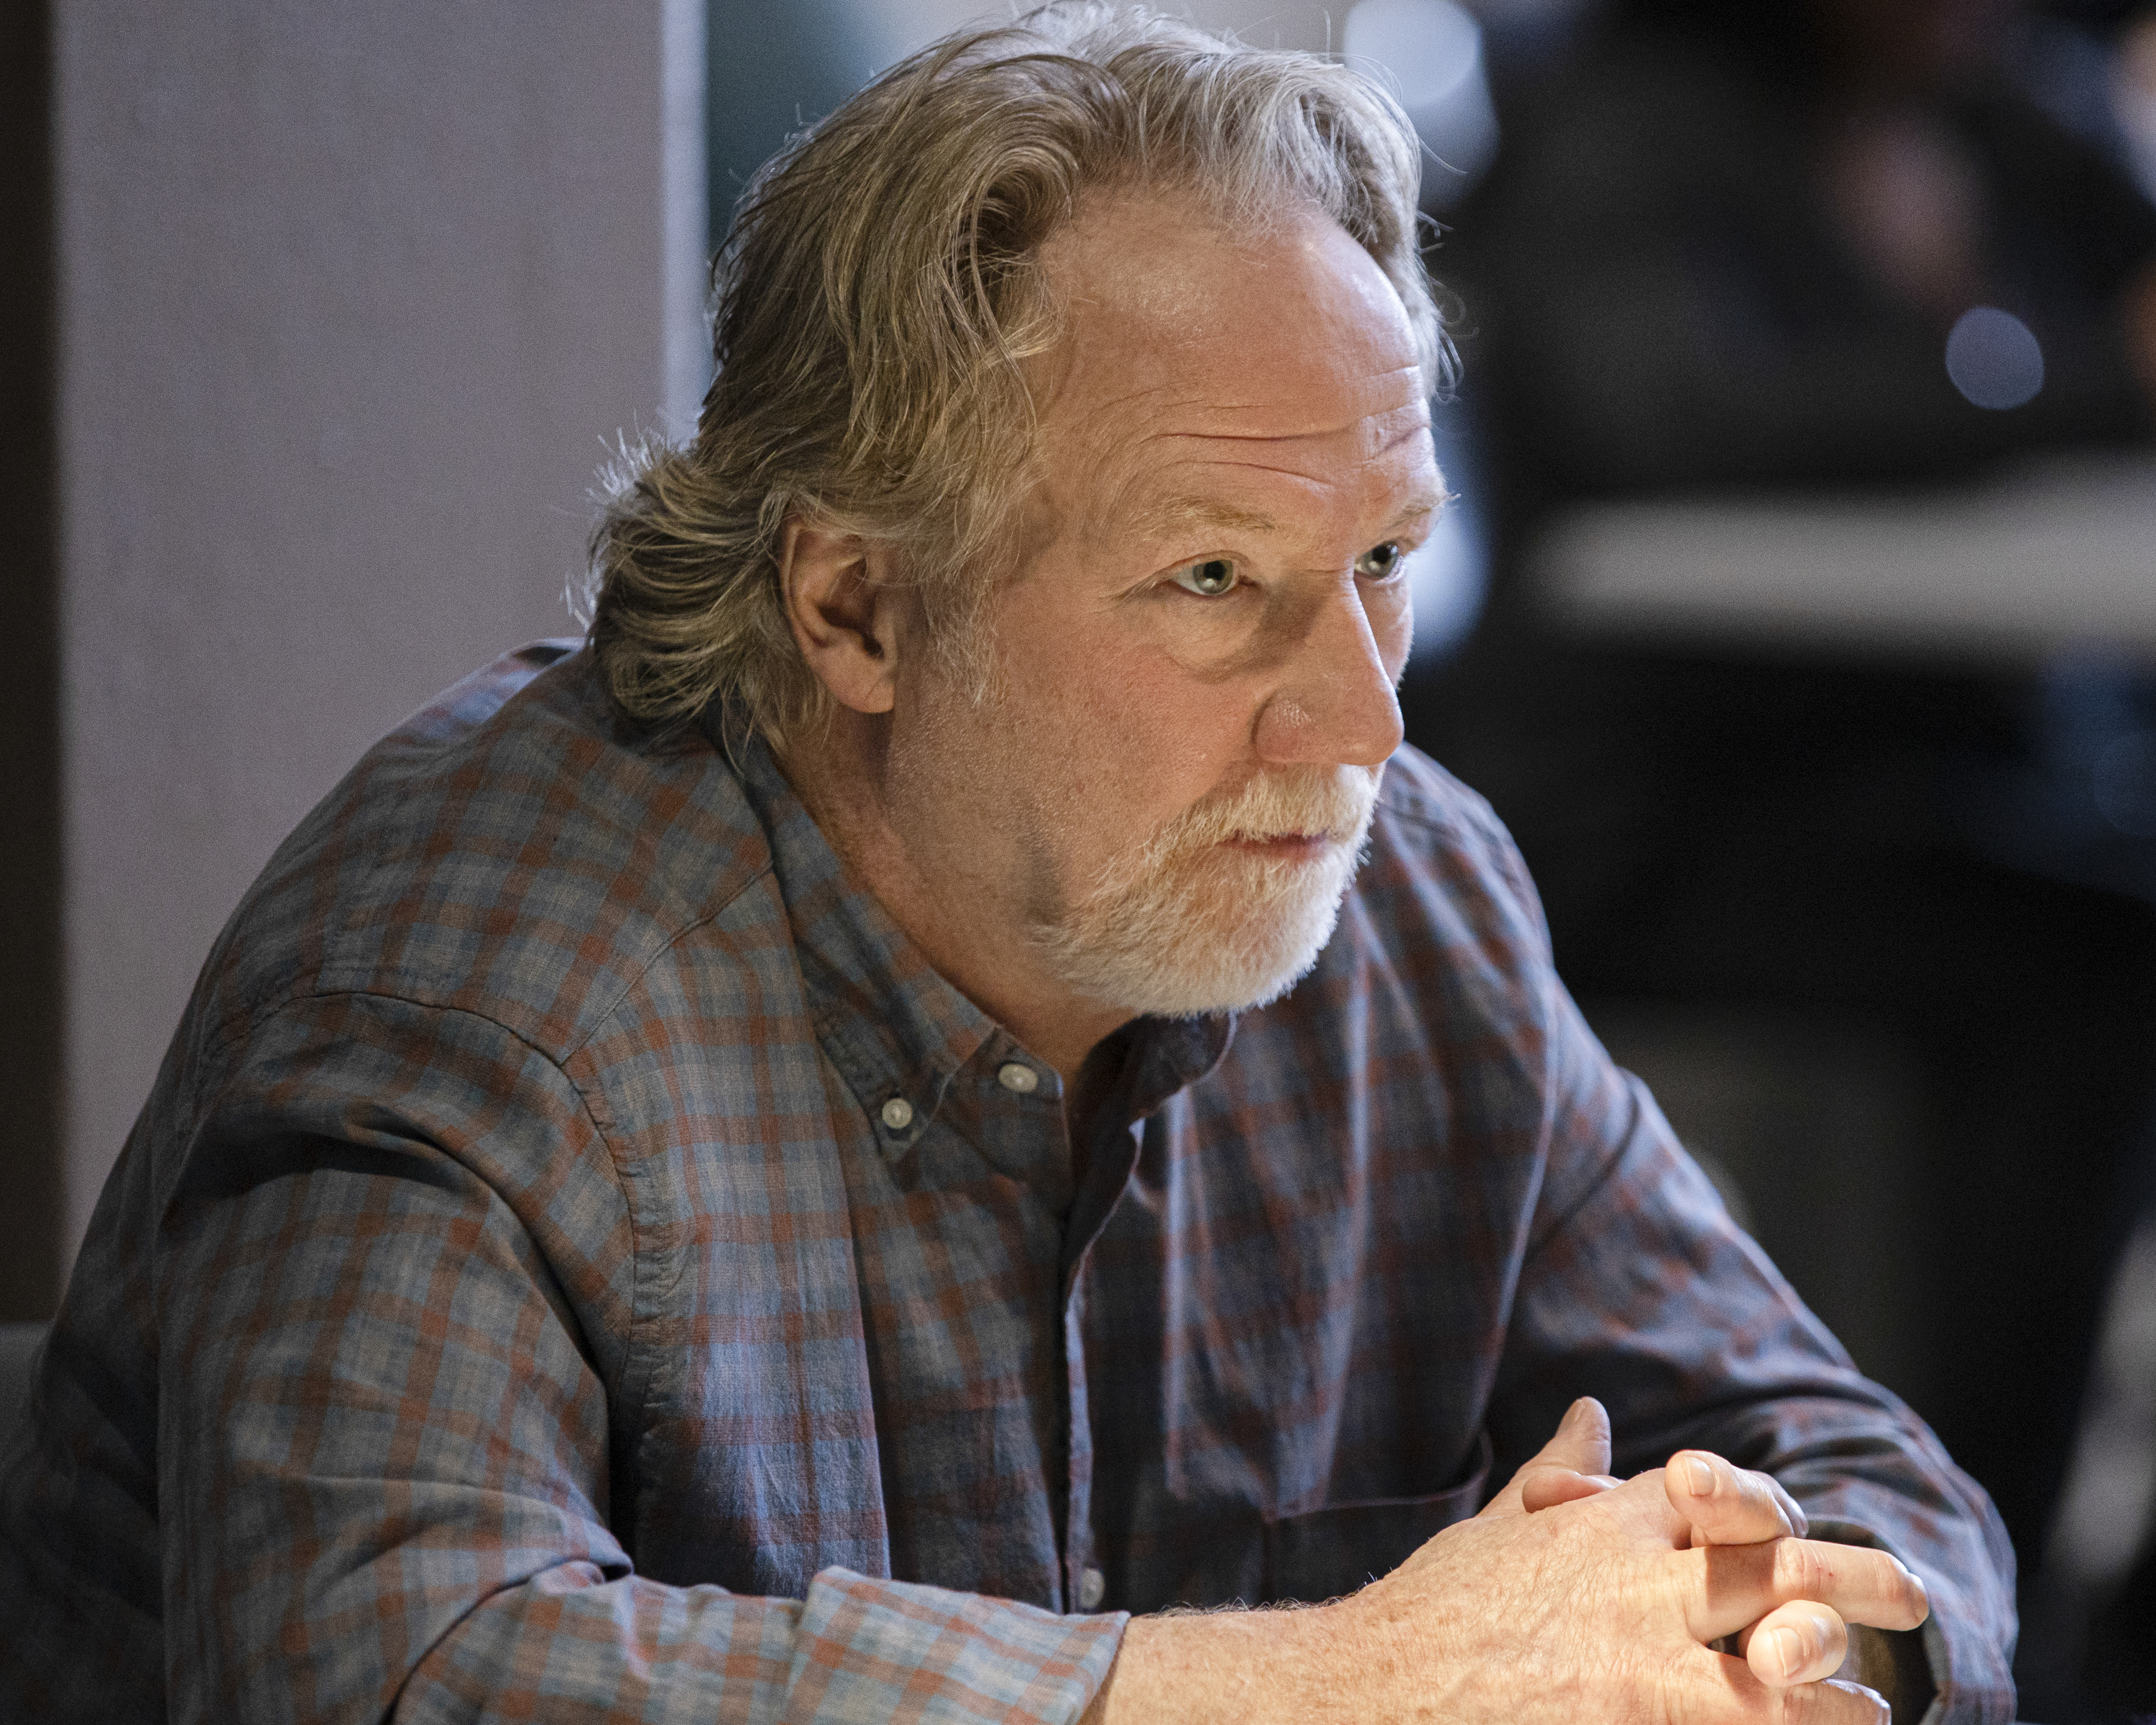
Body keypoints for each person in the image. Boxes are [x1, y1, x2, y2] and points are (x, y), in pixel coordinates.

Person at [0, 6, 2009, 1721]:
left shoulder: (1408, 904)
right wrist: (1331, 1685)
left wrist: (1762, 1638)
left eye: (1382, 563)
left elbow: (1862, 1476)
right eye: (1216, 579)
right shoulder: (470, 975)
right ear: (859, 609)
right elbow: (391, 1662)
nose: (1365, 724)